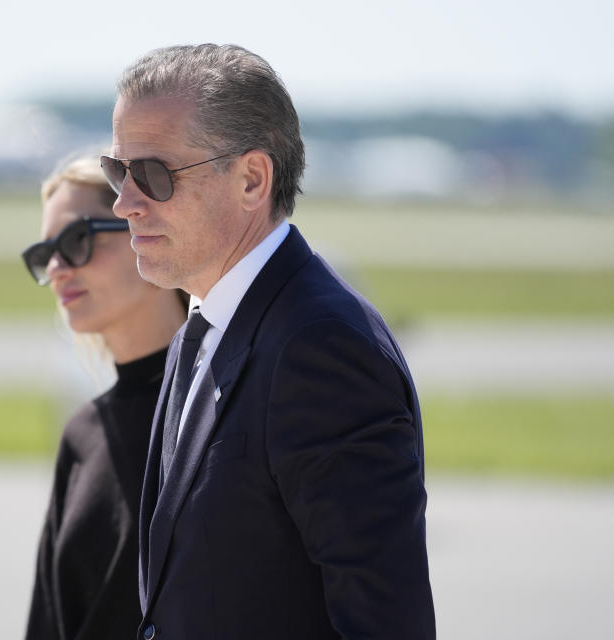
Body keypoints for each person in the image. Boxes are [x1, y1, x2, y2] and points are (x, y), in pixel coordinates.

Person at [102, 44, 435, 639]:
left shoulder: (321, 348)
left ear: (253, 178)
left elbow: (387, 622)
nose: (124, 203)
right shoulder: (201, 329)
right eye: (117, 172)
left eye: (152, 175)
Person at [22, 155, 187, 640]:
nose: (55, 269)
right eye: (44, 253)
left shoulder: (224, 406)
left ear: (144, 226)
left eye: (76, 241)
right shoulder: (83, 434)